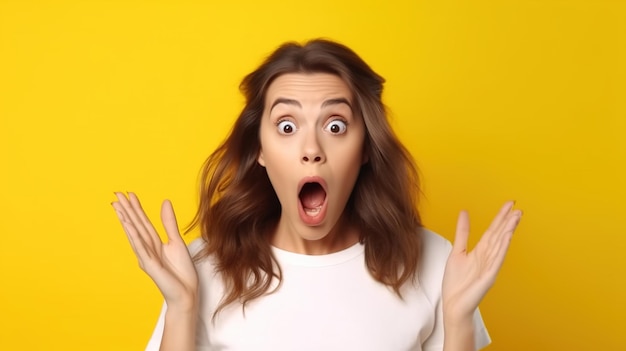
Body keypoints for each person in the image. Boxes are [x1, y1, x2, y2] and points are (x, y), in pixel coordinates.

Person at [111, 39, 522, 351]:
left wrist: (458, 320)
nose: (312, 149)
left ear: (365, 148)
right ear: (259, 150)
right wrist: (181, 306)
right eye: (287, 126)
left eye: (335, 125)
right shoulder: (202, 268)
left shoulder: (433, 261)